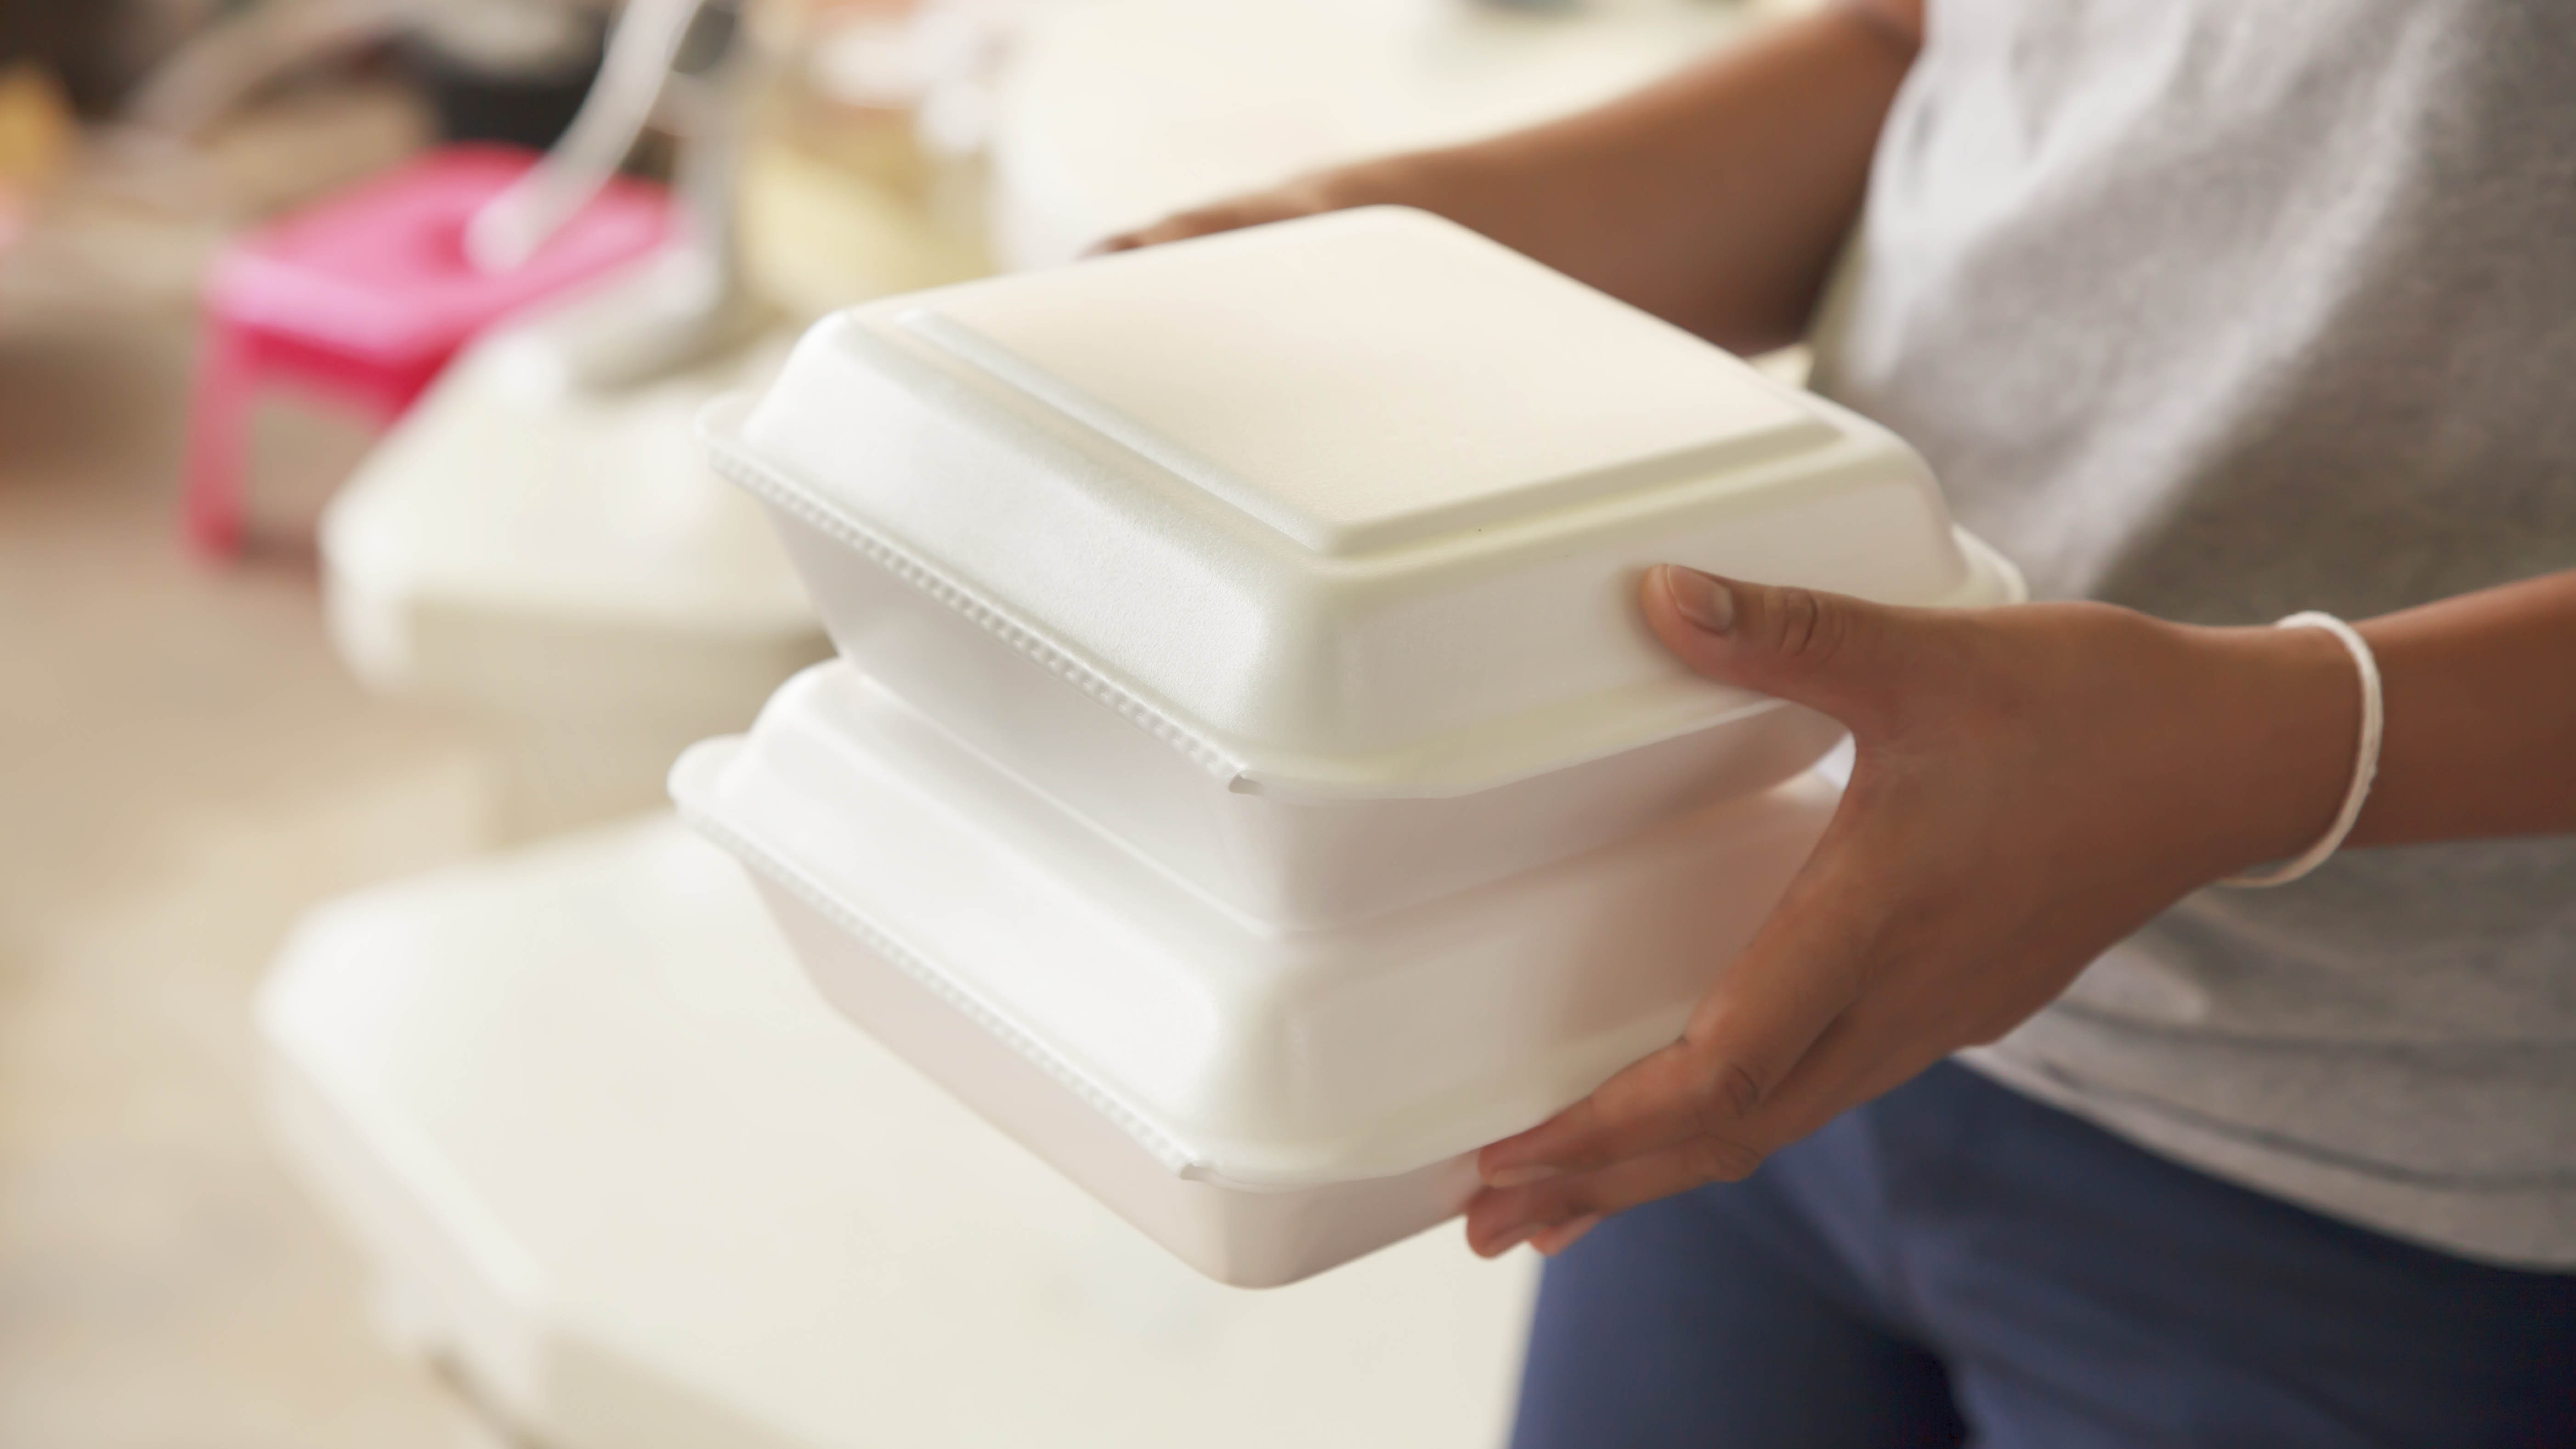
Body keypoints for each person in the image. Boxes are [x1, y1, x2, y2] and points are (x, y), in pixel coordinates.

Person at [1101, 1, 2576, 1443]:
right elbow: (1940, 48)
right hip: (1769, 970)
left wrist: (2268, 750)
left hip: (2383, 1199)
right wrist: (1351, 258)